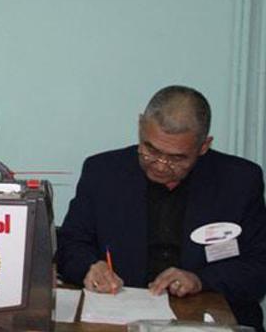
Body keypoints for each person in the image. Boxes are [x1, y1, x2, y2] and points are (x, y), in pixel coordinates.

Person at [55, 85, 266, 331]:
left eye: (177, 158)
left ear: (203, 146)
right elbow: (70, 245)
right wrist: (90, 267)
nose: (161, 165)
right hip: (118, 317)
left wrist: (200, 280)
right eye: (150, 150)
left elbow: (259, 266)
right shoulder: (103, 172)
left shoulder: (239, 181)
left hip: (208, 318)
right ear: (140, 125)